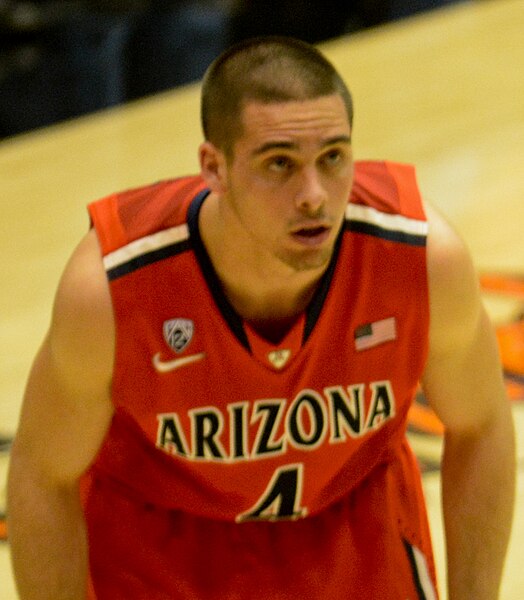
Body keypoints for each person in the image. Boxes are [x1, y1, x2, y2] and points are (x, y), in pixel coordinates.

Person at [7, 36, 515, 599]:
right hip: (162, 552)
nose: (314, 196)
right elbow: (42, 475)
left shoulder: (420, 258)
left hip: (354, 540)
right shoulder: (112, 287)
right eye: (280, 164)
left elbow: (482, 424)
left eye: (333, 157)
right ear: (213, 167)